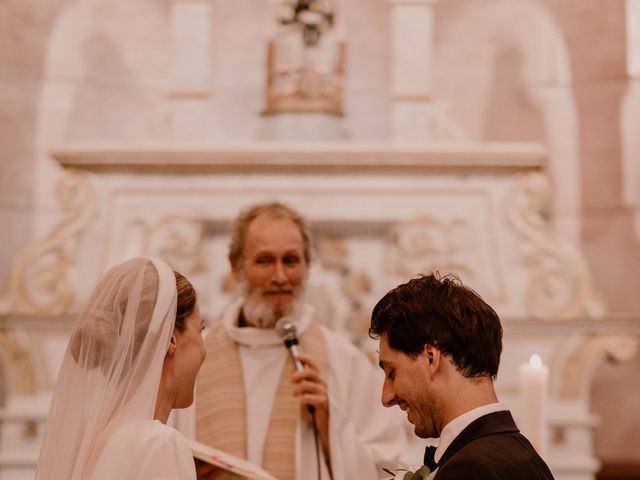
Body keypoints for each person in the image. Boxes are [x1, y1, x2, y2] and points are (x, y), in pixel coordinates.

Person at [194, 202, 409, 480]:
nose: (280, 276)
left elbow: (388, 466)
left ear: (308, 266)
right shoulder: (198, 354)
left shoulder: (344, 360)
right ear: (236, 267)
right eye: (264, 261)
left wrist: (330, 425)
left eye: (291, 260)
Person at [369, 273, 555, 479]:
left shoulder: (470, 469)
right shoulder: (519, 452)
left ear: (431, 358)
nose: (386, 398)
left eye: (392, 373)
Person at [36, 257, 206, 479]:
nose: (204, 348)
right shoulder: (160, 444)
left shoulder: (91, 441)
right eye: (200, 331)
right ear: (171, 340)